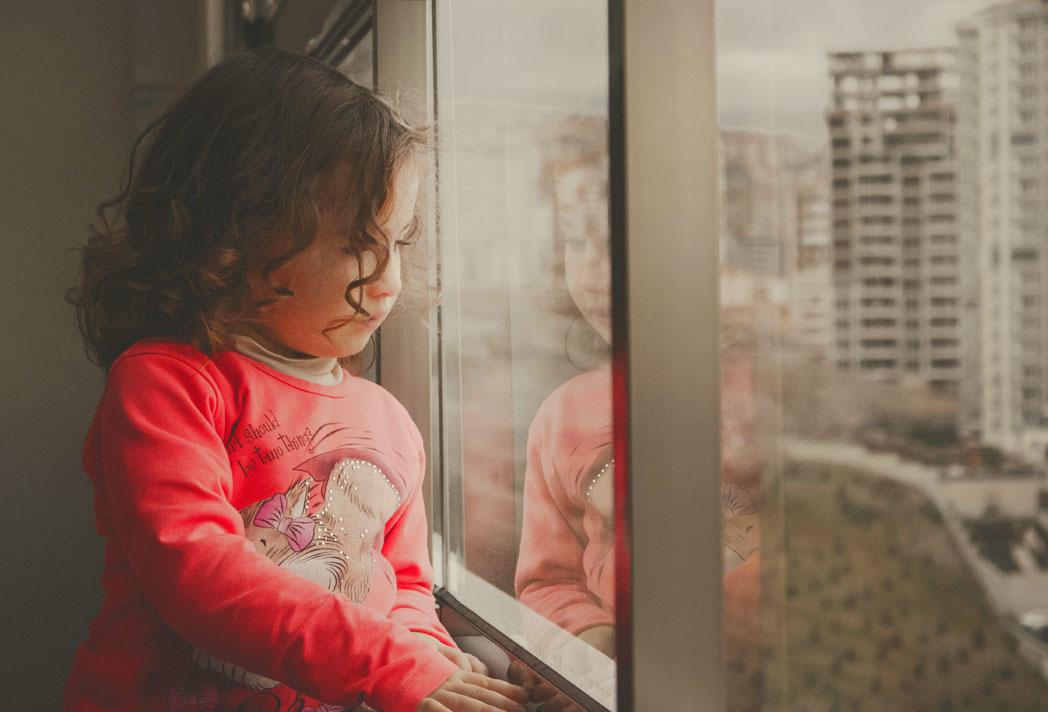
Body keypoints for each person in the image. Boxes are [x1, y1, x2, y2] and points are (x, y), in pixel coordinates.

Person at [64, 48, 528, 712]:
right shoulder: (167, 385)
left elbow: (402, 587)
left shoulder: (385, 421)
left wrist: (425, 663)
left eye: (397, 242)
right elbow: (202, 576)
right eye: (355, 243)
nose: (387, 279)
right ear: (239, 233)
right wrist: (387, 664)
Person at [513, 117, 763, 662]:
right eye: (579, 241)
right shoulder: (563, 416)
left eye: (626, 242)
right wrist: (587, 643)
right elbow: (547, 581)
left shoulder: (765, 397)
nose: (599, 274)